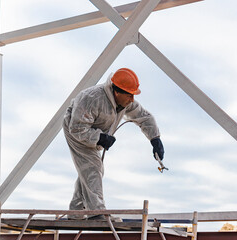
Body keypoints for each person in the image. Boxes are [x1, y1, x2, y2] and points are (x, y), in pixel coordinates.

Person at [63, 68, 164, 221]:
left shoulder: (125, 103)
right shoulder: (91, 98)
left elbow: (144, 117)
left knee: (90, 170)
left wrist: (155, 139)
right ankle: (96, 212)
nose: (132, 99)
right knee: (93, 168)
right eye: (129, 95)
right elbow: (77, 128)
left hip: (92, 132)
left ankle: (76, 211)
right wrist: (100, 138)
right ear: (117, 92)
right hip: (76, 131)